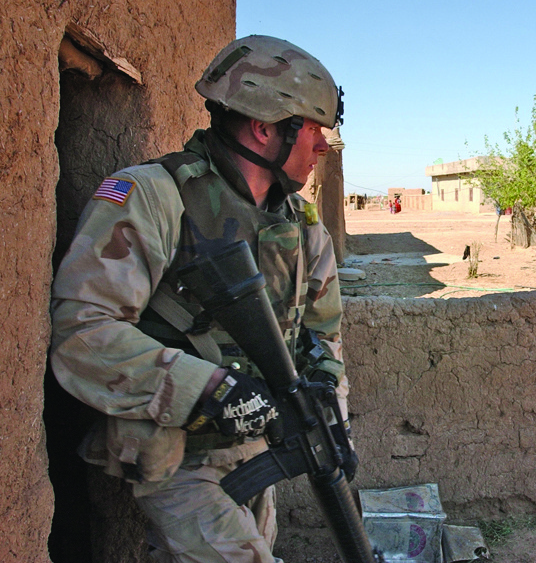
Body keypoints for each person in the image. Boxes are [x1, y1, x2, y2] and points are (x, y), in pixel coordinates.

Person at [49, 35, 347, 562]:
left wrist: (329, 402)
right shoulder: (151, 195)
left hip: (256, 448)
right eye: (315, 129)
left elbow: (322, 333)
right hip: (174, 453)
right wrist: (211, 390)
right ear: (266, 127)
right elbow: (83, 334)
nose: (324, 146)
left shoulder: (302, 226)